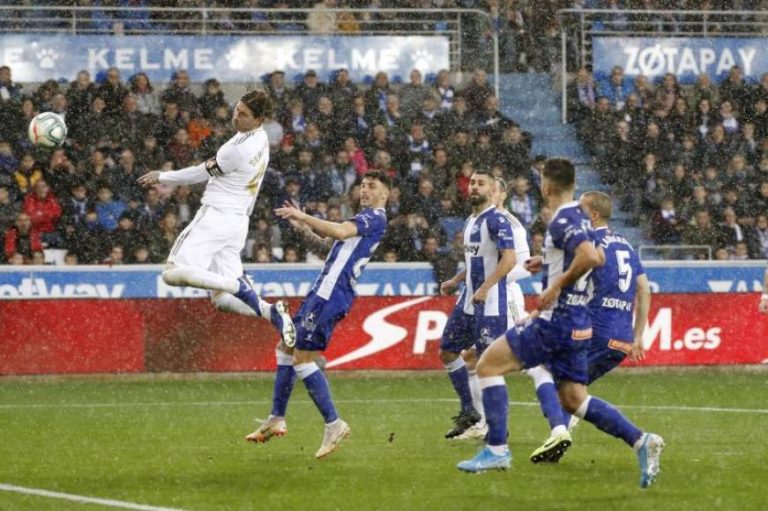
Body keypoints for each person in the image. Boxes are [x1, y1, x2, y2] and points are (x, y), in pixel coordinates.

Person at [456, 158, 664, 491]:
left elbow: (591, 257)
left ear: (547, 186)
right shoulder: (578, 218)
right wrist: (548, 261)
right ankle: (641, 440)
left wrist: (557, 284)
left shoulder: (564, 216)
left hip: (557, 321)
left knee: (487, 365)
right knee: (572, 398)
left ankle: (496, 449)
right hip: (580, 323)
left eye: (540, 180)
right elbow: (583, 254)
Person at [245, 170, 391, 459]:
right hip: (321, 292)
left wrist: (304, 215)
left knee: (302, 358)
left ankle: (334, 424)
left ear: (385, 194)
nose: (364, 190)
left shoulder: (375, 217)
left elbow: (338, 231)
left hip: (331, 296)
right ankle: (276, 418)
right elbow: (329, 247)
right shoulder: (363, 221)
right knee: (285, 346)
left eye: (371, 186)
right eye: (362, 185)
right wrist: (303, 228)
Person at [136, 89, 295, 345]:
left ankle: (238, 284)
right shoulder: (261, 138)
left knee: (172, 273)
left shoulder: (239, 150)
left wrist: (163, 176)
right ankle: (270, 311)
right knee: (222, 300)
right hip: (237, 223)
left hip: (216, 217)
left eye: (243, 115)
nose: (236, 117)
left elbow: (200, 173)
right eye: (236, 110)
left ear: (258, 119)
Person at [527, 191, 651, 464]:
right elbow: (643, 290)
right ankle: (560, 440)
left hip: (595, 329)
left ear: (593, 215)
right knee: (573, 394)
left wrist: (537, 312)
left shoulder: (590, 241)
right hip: (621, 340)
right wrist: (638, 335)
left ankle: (561, 431)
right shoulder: (627, 246)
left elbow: (575, 275)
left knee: (542, 370)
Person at [437, 170, 519, 439]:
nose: (474, 187)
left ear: (492, 189)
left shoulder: (497, 220)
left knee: (488, 367)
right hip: (469, 303)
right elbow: (477, 261)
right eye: (472, 182)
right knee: (448, 352)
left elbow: (509, 260)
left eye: (480, 184)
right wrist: (455, 279)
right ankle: (469, 410)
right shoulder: (471, 220)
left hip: (491, 305)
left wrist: (485, 288)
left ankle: (499, 429)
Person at [454, 177, 532, 440]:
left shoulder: (511, 225)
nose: (487, 193)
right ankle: (484, 423)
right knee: (473, 359)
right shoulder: (477, 221)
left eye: (494, 190)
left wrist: (492, 281)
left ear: (501, 195)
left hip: (505, 298)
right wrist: (461, 280)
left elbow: (524, 266)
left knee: (518, 358)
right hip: (484, 297)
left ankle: (562, 392)